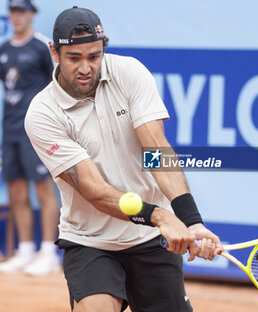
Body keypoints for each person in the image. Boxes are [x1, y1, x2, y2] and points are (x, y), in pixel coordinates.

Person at [24, 6, 222, 312]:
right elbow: (95, 191)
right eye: (74, 58)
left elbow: (155, 149)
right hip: (90, 241)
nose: (85, 68)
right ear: (55, 52)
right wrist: (161, 216)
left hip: (151, 240)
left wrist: (191, 220)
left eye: (94, 56)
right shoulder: (42, 113)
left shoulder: (129, 73)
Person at [0, 0, 60, 275]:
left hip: (36, 131)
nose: (17, 16)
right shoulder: (3, 48)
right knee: (16, 190)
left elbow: (59, 86)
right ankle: (24, 250)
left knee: (44, 189)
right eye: (12, 11)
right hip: (10, 131)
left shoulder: (41, 46)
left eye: (22, 11)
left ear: (32, 14)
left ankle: (48, 252)